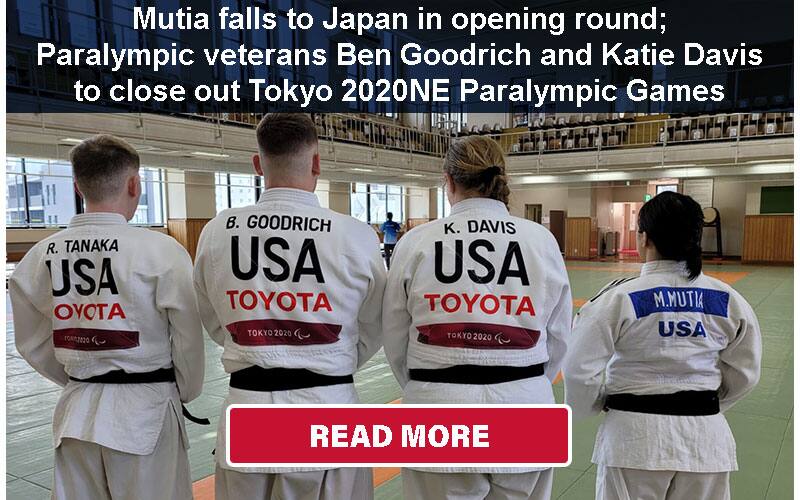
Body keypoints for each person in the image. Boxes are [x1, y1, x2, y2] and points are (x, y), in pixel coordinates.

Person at [194, 113, 386, 500]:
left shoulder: (217, 231)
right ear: (317, 163)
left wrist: (261, 345)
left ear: (257, 164)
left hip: (248, 411)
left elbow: (214, 319)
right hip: (327, 410)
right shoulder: (354, 234)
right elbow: (377, 323)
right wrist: (330, 357)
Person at [9, 135, 205, 500]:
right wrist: (184, 390)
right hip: (145, 410)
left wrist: (80, 375)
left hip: (76, 412)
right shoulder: (161, 252)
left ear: (77, 186)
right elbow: (188, 340)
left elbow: (32, 342)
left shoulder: (40, 256)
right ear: (134, 185)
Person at [382, 135, 572, 500]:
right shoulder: (541, 240)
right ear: (500, 179)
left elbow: (395, 335)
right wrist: (529, 382)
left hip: (438, 407)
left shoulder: (416, 241)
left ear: (448, 181)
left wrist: (424, 385)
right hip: (526, 404)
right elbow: (559, 335)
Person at [563, 191, 762, 500]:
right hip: (705, 441)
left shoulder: (618, 298)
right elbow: (746, 373)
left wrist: (594, 404)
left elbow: (577, 369)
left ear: (643, 238)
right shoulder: (728, 300)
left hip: (633, 440)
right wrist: (706, 405)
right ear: (696, 238)